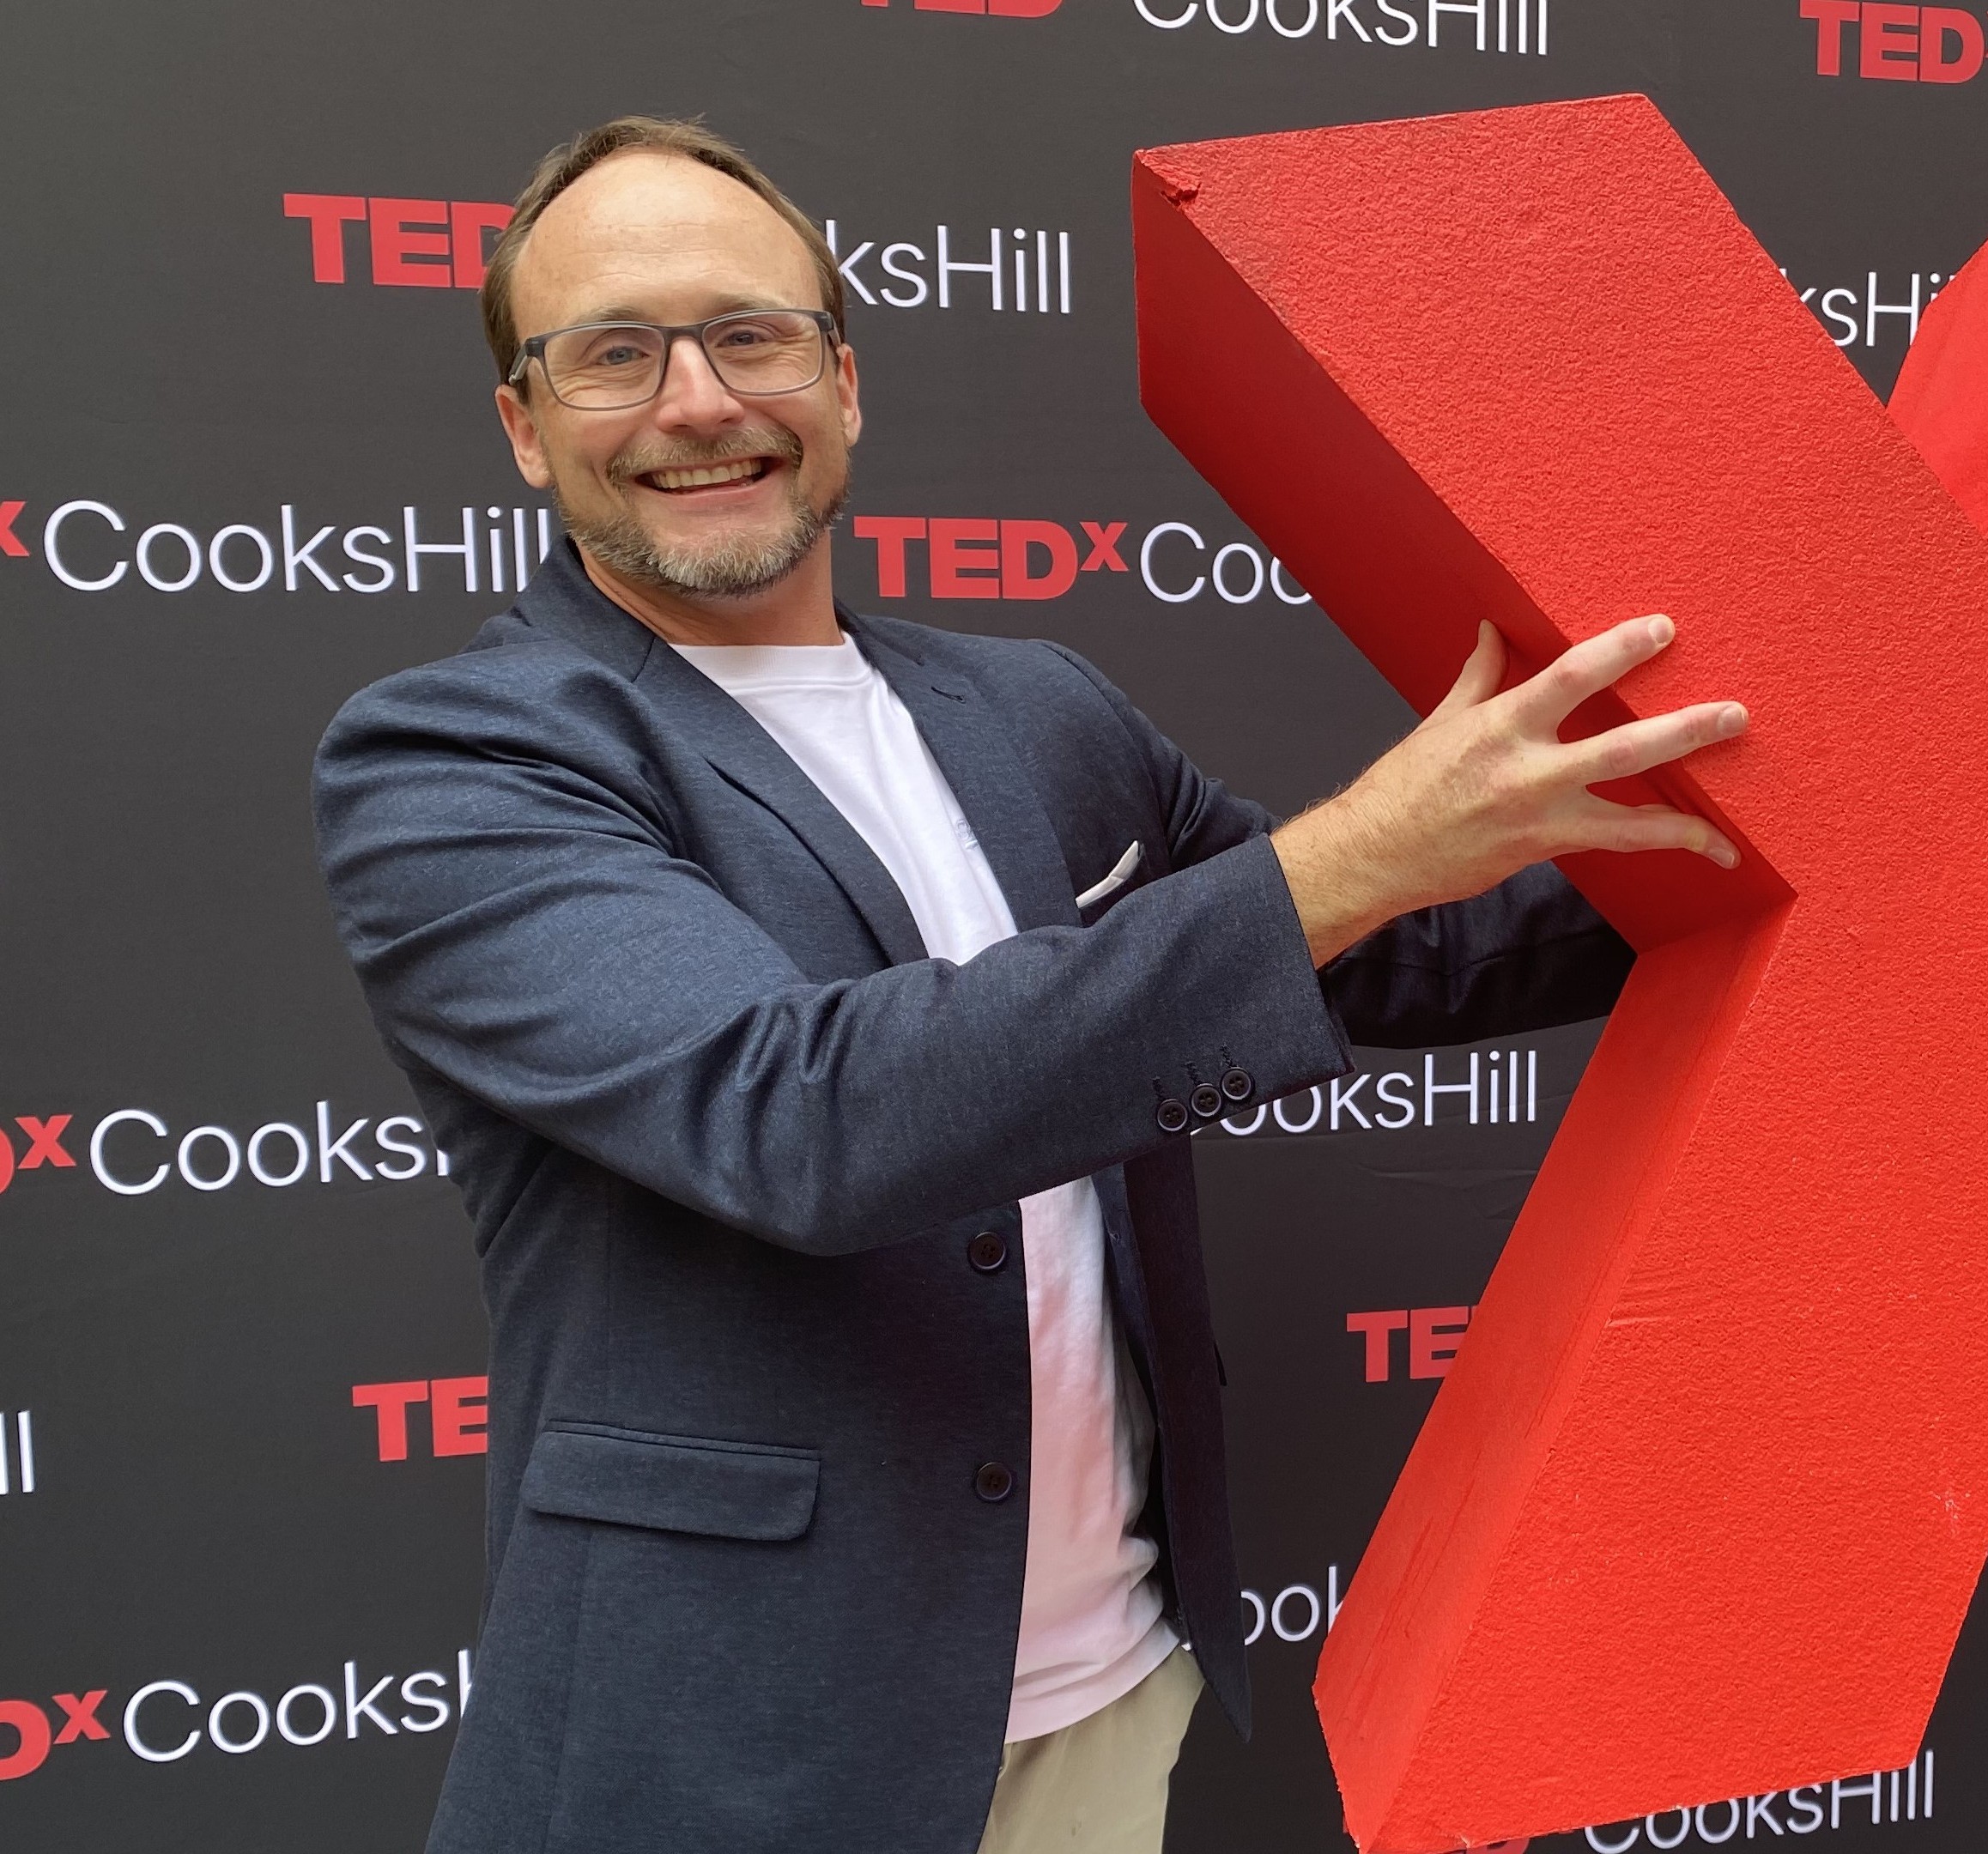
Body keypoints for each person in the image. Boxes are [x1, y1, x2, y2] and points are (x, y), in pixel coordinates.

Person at [312, 115, 1747, 1854]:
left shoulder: (1039, 708)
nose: (697, 401)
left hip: (1112, 1704)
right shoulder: (458, 758)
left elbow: (1402, 943)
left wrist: (1762, 874)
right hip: (740, 1757)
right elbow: (799, 1116)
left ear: (843, 379)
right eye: (613, 355)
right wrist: (1357, 853)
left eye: (750, 334)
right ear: (526, 433)